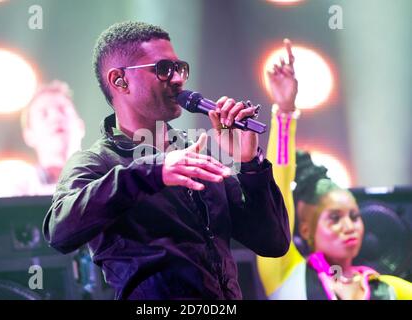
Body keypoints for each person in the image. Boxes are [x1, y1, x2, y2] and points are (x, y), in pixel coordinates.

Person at [43, 21, 290, 300]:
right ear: (119, 80)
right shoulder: (97, 161)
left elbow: (273, 242)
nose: (177, 79)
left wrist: (250, 164)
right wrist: (153, 171)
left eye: (179, 68)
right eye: (163, 69)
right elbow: (59, 231)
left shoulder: (196, 152)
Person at [257, 39, 412, 300]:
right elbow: (276, 192)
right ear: (305, 231)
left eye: (354, 216)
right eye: (334, 218)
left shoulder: (390, 289)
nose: (349, 226)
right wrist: (284, 112)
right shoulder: (287, 275)